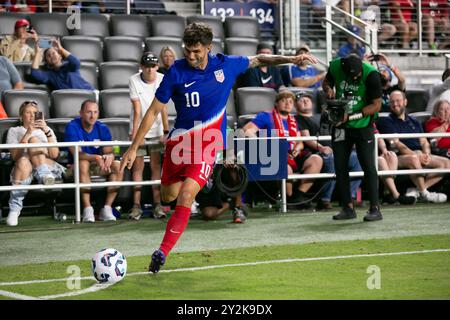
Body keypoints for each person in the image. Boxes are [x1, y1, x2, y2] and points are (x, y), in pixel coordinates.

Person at [120, 22, 318, 273]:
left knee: (186, 196)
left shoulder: (226, 64)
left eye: (196, 51)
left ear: (208, 48)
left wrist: (292, 58)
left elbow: (259, 58)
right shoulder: (176, 72)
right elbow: (153, 112)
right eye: (187, 51)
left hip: (208, 146)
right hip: (179, 144)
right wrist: (133, 147)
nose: (191, 56)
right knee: (169, 196)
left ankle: (162, 252)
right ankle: (205, 181)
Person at [322, 53, 383, 221]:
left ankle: (375, 208)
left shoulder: (371, 74)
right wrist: (329, 91)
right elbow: (326, 82)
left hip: (363, 126)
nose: (355, 77)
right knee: (340, 166)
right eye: (352, 75)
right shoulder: (335, 66)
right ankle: (347, 207)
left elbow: (376, 105)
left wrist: (351, 117)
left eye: (357, 75)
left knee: (368, 166)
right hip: (341, 127)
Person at [243, 90, 323, 209]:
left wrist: (297, 149)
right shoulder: (266, 116)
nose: (287, 103)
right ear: (276, 103)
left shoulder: (294, 120)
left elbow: (299, 142)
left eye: (291, 101)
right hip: (273, 155)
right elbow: (247, 130)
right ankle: (289, 198)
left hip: (292, 155)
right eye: (283, 101)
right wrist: (264, 144)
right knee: (286, 168)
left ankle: (298, 196)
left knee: (316, 160)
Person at [294, 91, 363, 211]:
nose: (305, 101)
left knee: (357, 158)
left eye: (307, 99)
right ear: (295, 106)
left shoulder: (323, 116)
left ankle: (349, 197)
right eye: (301, 100)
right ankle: (324, 199)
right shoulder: (298, 119)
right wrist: (321, 147)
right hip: (316, 153)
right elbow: (306, 138)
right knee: (331, 159)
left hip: (335, 149)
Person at [377, 90, 449, 202]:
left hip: (419, 153)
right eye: (392, 102)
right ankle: (425, 194)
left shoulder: (414, 121)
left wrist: (427, 154)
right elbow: (398, 145)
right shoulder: (385, 121)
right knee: (414, 158)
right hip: (399, 157)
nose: (395, 104)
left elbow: (424, 141)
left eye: (398, 101)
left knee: (447, 164)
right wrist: (417, 155)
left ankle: (416, 190)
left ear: (405, 102)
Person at [5, 100, 66, 226]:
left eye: (35, 113)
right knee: (23, 159)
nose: (32, 115)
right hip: (24, 168)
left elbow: (55, 155)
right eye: (28, 112)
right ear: (21, 117)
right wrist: (28, 134)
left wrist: (46, 131)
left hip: (49, 167)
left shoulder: (47, 130)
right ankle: (14, 211)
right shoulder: (14, 131)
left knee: (34, 140)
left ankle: (15, 208)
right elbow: (15, 156)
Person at [64, 100, 124, 223]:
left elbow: (108, 151)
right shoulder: (72, 126)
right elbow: (77, 154)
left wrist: (109, 157)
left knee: (118, 166)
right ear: (81, 113)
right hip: (75, 167)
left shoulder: (102, 128)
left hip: (97, 165)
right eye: (89, 112)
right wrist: (96, 157)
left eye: (95, 112)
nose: (92, 116)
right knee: (83, 163)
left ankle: (107, 208)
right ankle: (87, 209)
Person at [128, 52, 169, 220]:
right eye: (147, 66)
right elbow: (137, 110)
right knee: (137, 167)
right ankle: (136, 206)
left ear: (157, 67)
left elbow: (164, 107)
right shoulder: (133, 80)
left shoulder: (161, 78)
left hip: (157, 129)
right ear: (141, 67)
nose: (150, 69)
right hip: (139, 129)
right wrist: (137, 135)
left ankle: (157, 205)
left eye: (153, 66)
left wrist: (166, 132)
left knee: (156, 167)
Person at [373, 123, 416, 205]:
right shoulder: (356, 124)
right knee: (381, 160)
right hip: (363, 155)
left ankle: (388, 193)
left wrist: (384, 150)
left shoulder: (370, 123)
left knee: (391, 155)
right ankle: (396, 195)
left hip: (375, 154)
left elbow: (379, 139)